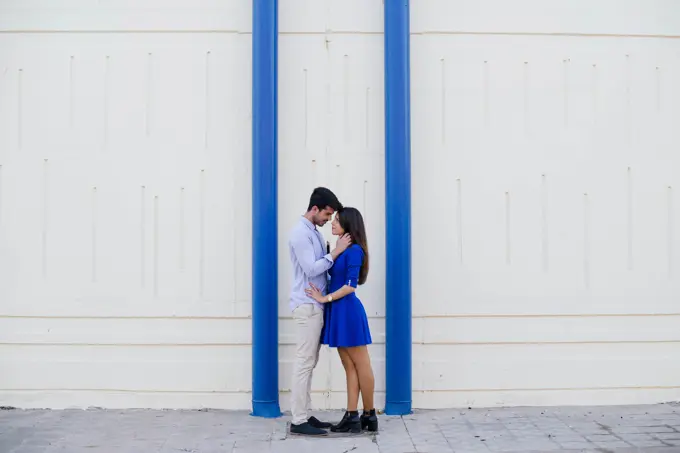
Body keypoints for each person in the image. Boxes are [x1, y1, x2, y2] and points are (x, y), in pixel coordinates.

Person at [305, 207, 377, 433]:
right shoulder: (341, 249)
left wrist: (324, 298)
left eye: (337, 220)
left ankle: (370, 414)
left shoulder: (355, 251)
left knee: (361, 364)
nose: (333, 223)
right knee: (349, 366)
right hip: (338, 312)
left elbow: (350, 285)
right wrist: (335, 251)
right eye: (333, 219)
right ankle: (352, 416)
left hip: (348, 311)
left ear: (349, 226)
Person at [288, 187, 352, 436]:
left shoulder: (313, 232)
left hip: (316, 304)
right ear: (315, 209)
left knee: (310, 361)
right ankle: (298, 419)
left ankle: (305, 413)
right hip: (306, 306)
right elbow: (312, 269)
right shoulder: (299, 234)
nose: (328, 219)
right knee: (304, 361)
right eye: (327, 214)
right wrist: (336, 251)